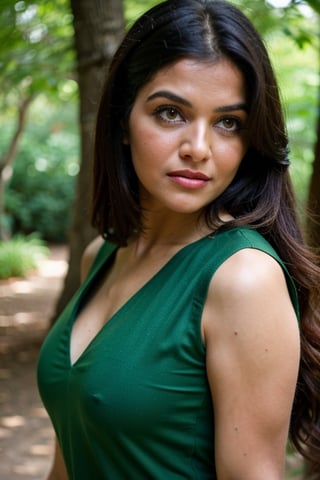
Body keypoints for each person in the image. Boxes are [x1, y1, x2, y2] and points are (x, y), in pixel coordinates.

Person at [37, 0, 320, 478]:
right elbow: (74, 444)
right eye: (170, 113)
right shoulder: (101, 256)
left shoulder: (243, 279)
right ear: (123, 121)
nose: (199, 148)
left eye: (229, 122)